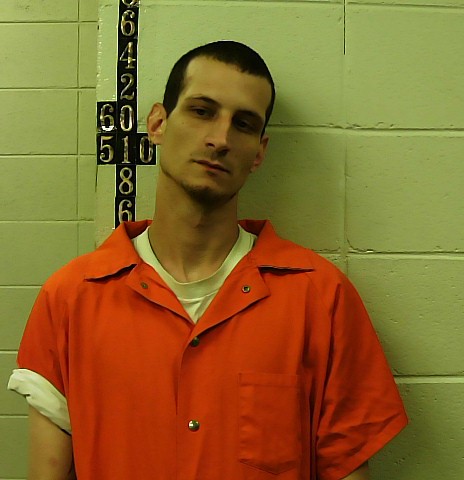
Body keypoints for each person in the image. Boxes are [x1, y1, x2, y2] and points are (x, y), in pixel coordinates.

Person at [8, 41, 407, 480]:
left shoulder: (320, 297)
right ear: (158, 123)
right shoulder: (71, 298)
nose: (220, 139)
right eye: (202, 111)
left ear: (259, 152)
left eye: (243, 124)